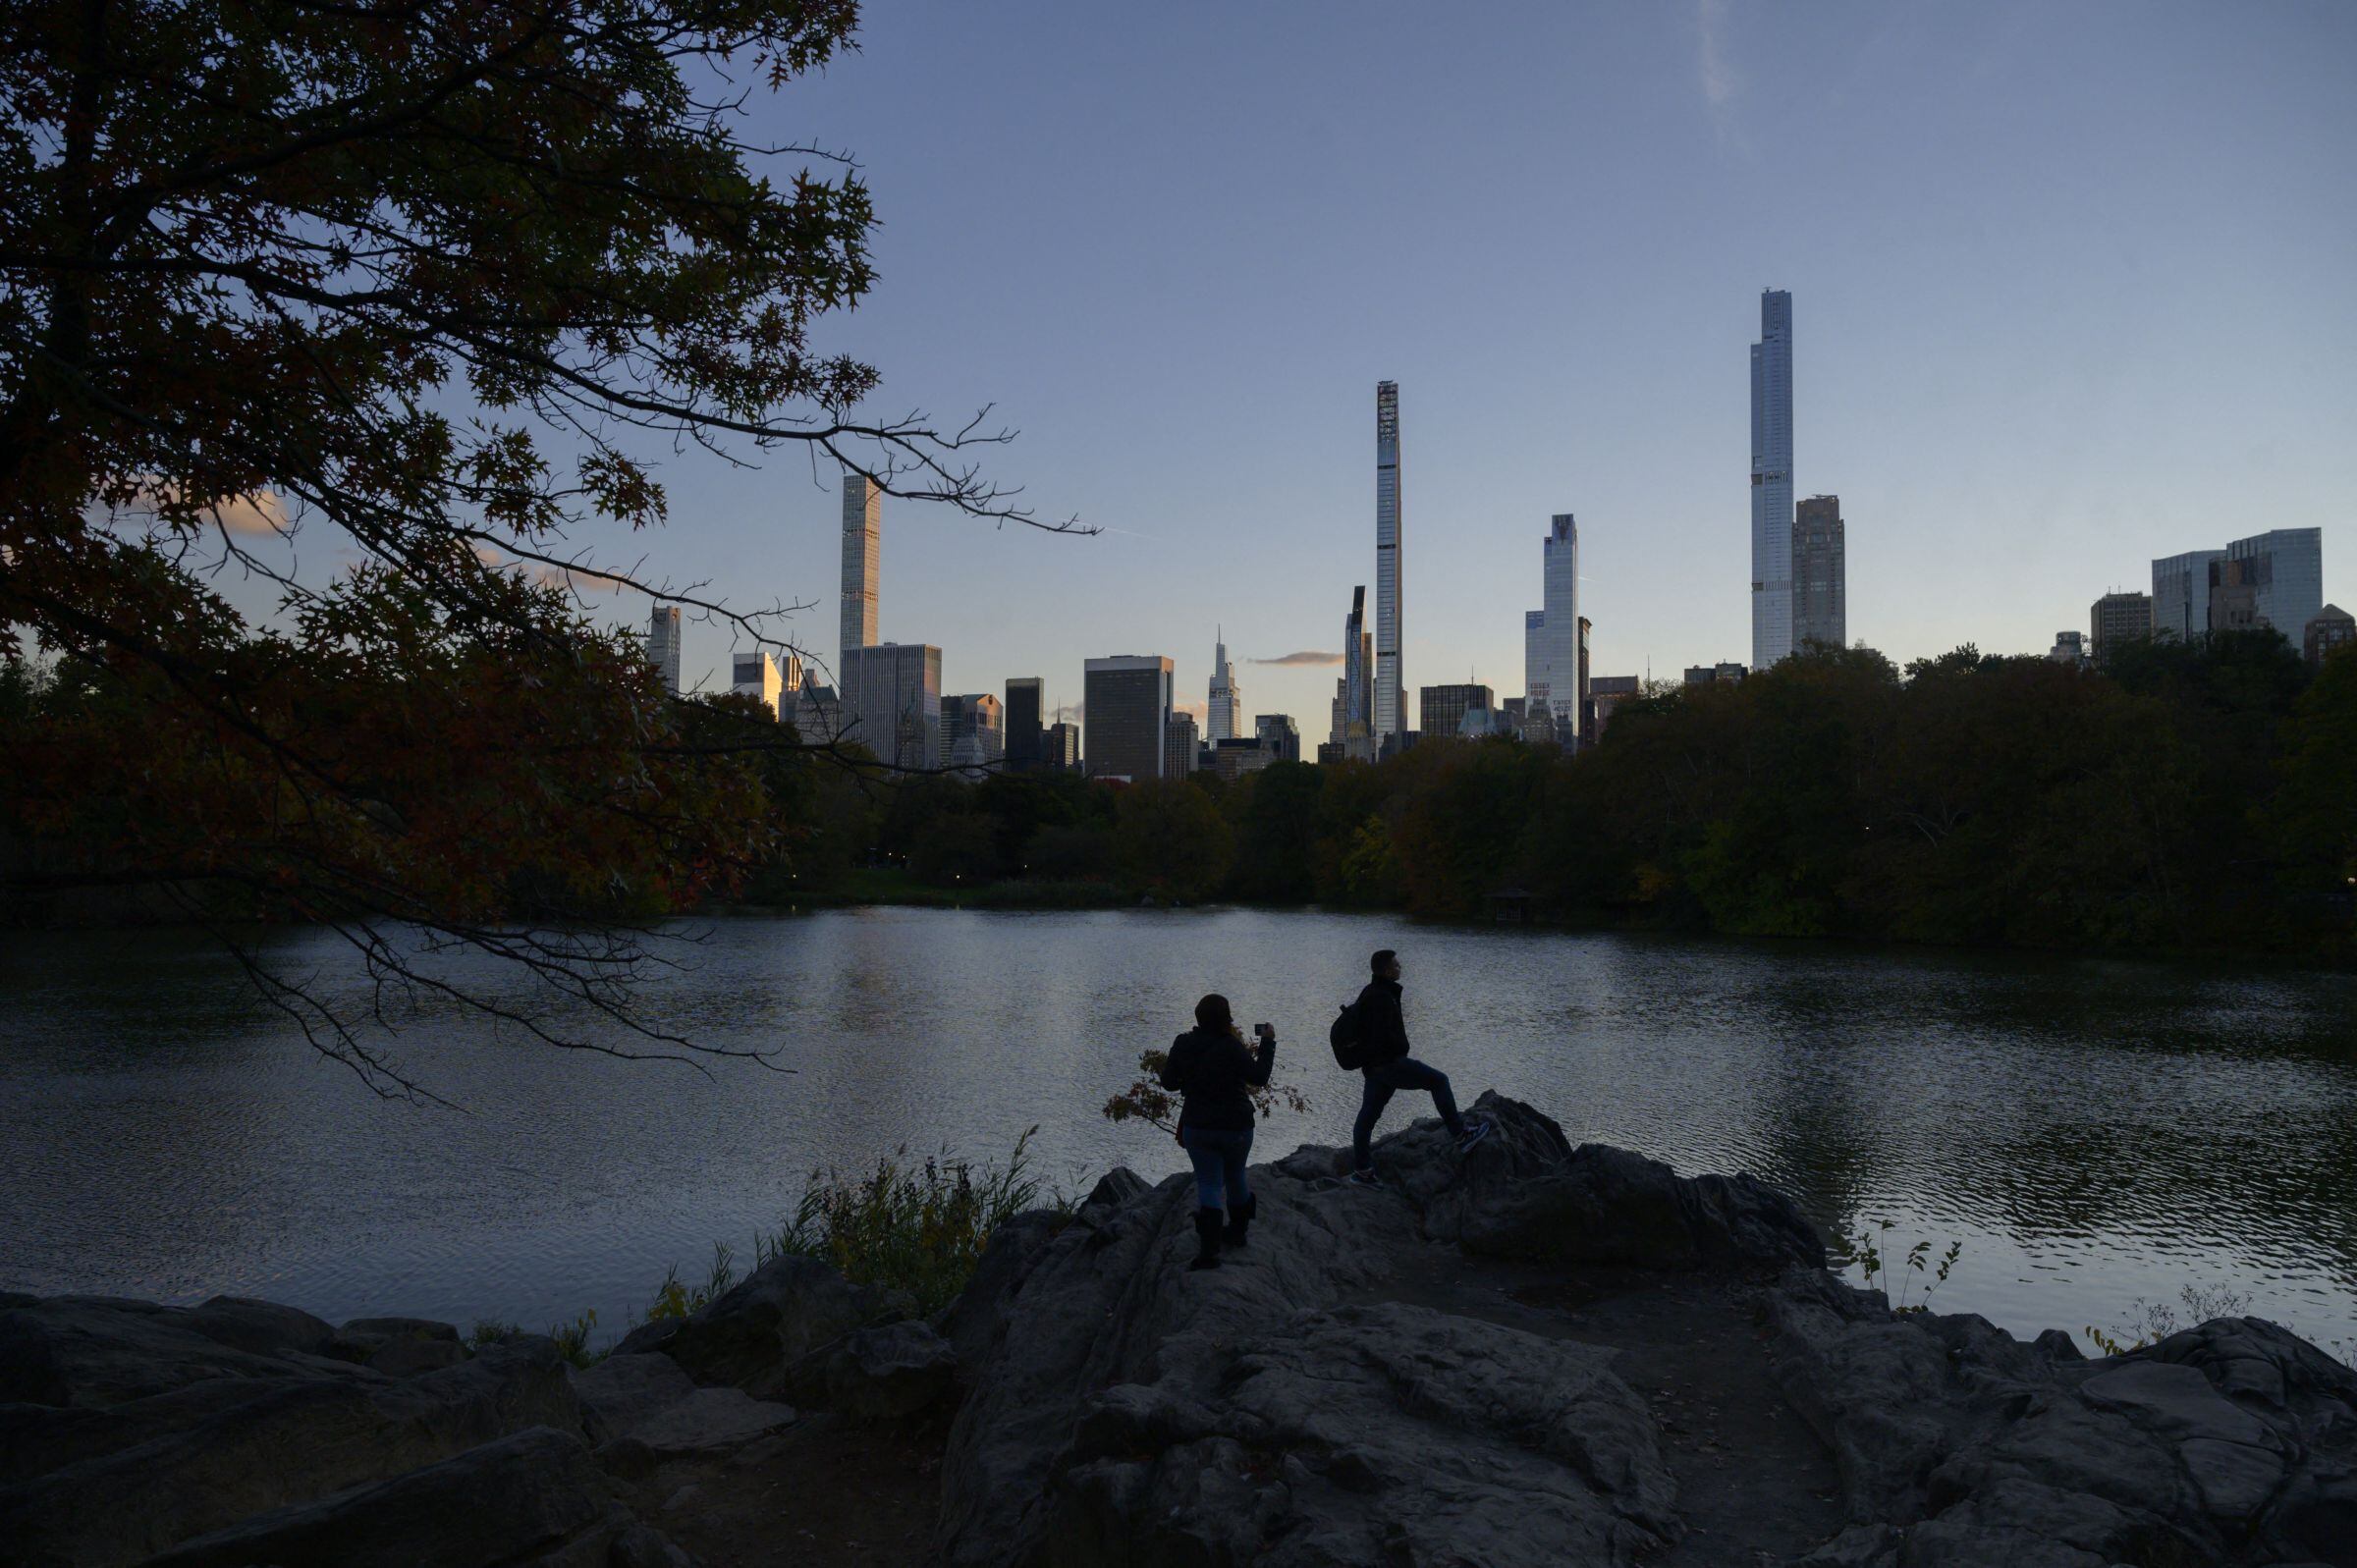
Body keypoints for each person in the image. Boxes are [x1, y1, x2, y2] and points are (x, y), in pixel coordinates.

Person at [1347, 948, 1489, 1185]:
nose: (1400, 966)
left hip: (1374, 1069)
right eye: (1396, 964)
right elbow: (1380, 1035)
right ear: (1386, 970)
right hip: (1389, 1065)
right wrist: (1398, 1054)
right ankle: (1461, 1135)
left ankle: (1362, 1171)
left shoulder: (1371, 992)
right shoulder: (1382, 996)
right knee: (1439, 1081)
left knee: (1367, 1118)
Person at [1158, 993, 1275, 1271]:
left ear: (1198, 1017)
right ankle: (1237, 1233)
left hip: (1199, 1127)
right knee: (1236, 1176)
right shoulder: (1231, 1047)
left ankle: (1208, 1251)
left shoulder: (1183, 1043)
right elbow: (1259, 1077)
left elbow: (1169, 1083)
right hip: (1237, 1127)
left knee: (1208, 1183)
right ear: (1227, 1018)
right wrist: (1268, 1042)